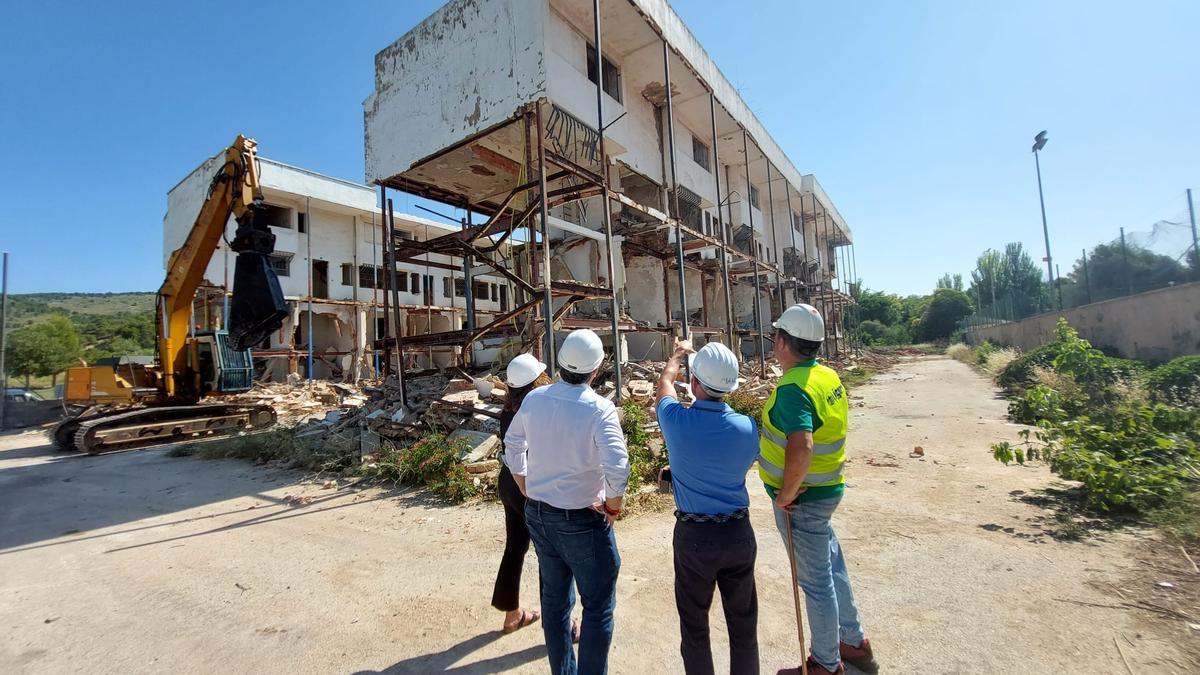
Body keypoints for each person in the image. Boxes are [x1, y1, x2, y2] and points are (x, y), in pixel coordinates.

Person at [759, 304, 876, 675]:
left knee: (816, 583)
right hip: (826, 490)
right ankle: (852, 641)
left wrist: (786, 494)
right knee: (832, 566)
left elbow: (803, 445)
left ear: (783, 342)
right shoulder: (826, 376)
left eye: (775, 336)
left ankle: (826, 663)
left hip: (803, 500)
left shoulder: (793, 389)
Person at [505, 329, 629, 675]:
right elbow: (618, 466)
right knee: (598, 607)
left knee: (555, 603)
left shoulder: (535, 399)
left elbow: (512, 444)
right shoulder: (600, 409)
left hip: (539, 516)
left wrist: (525, 485)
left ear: (559, 365)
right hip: (582, 520)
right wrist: (613, 506)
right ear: (596, 370)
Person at [655, 340, 761, 675]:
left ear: (694, 383)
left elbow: (665, 383)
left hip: (695, 536)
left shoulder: (675, 421)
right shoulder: (747, 428)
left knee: (695, 627)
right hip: (738, 533)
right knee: (744, 628)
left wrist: (677, 354)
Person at [492, 353, 552, 634]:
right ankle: (559, 622)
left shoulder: (508, 410)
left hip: (509, 481)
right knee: (549, 555)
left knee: (514, 547)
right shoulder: (539, 412)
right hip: (531, 486)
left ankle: (511, 614)